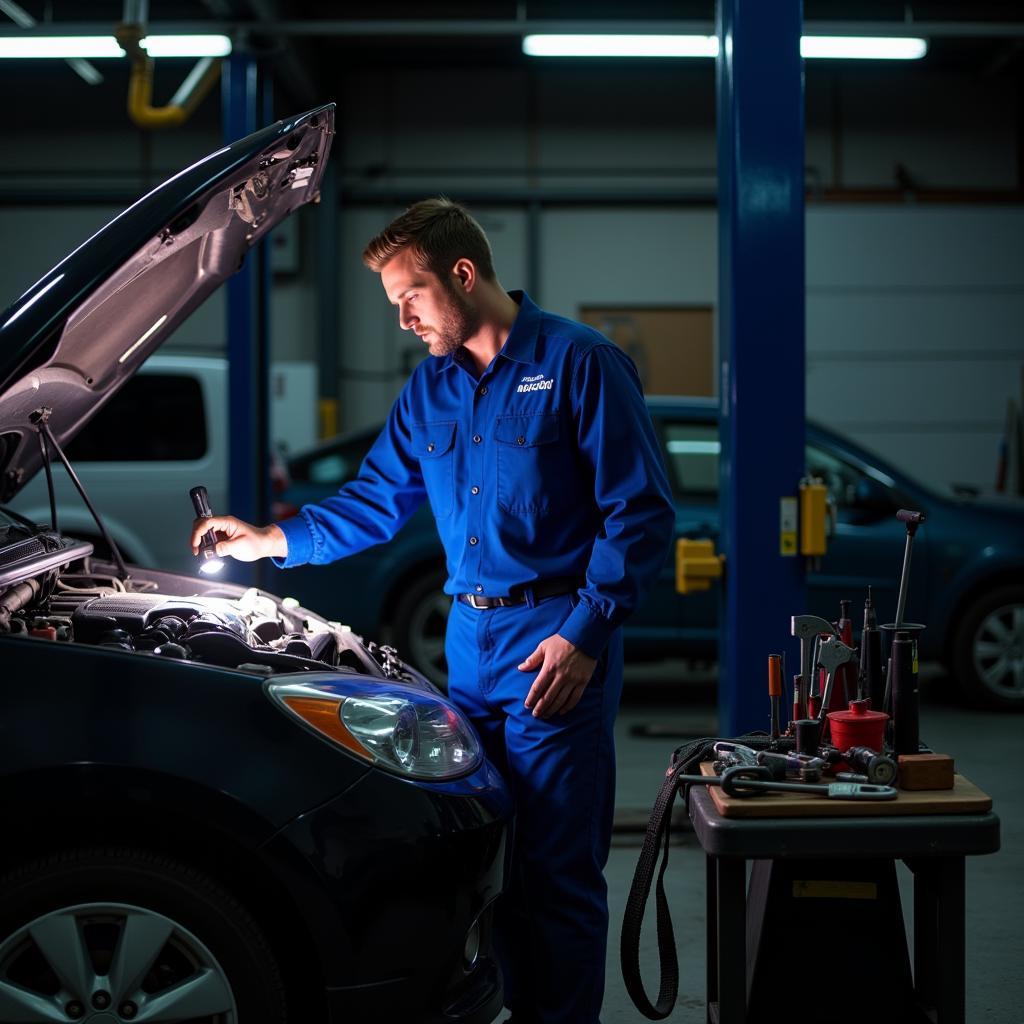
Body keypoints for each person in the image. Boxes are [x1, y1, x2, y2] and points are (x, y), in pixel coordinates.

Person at [191, 198, 675, 1024]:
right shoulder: (431, 389)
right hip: (470, 647)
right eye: (392, 305)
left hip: (553, 644)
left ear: (463, 272)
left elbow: (641, 513)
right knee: (488, 858)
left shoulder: (580, 363)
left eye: (410, 297)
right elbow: (377, 500)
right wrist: (269, 539)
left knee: (555, 873)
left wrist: (586, 636)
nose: (404, 319)